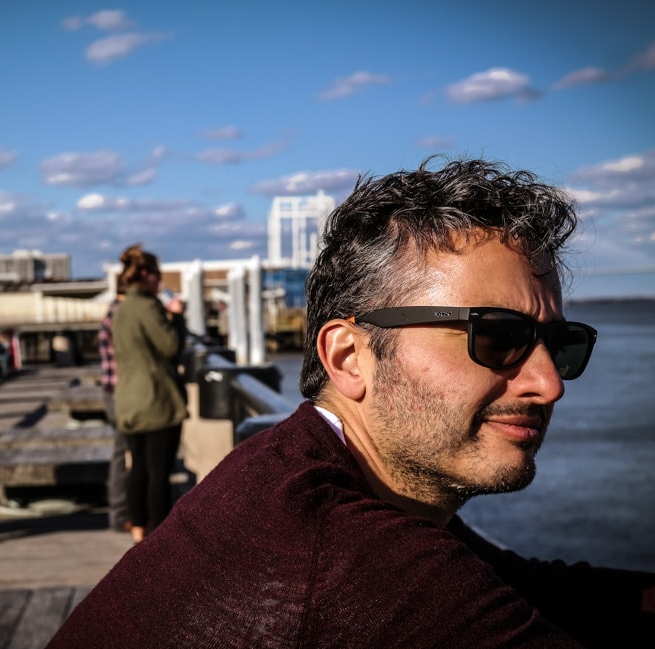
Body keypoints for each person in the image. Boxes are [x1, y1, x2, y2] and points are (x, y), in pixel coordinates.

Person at [48, 158, 655, 648]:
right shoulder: (352, 561)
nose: (549, 383)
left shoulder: (296, 471)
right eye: (496, 337)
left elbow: (522, 586)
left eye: (560, 343)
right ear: (348, 356)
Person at [111, 244, 188, 544]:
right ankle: (159, 539)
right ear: (145, 275)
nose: (160, 281)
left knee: (139, 468)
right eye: (157, 275)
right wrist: (177, 318)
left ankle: (139, 533)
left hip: (129, 400)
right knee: (159, 474)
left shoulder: (121, 309)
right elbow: (169, 347)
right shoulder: (148, 306)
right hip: (156, 401)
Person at [98, 281, 130, 532]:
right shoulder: (121, 314)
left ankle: (121, 511)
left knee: (121, 451)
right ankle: (120, 514)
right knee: (122, 453)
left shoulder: (112, 311)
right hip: (120, 392)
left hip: (111, 389)